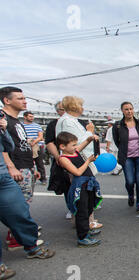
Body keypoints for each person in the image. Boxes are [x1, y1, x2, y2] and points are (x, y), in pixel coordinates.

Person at [0, 104, 55, 280]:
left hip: (3, 177)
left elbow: (8, 147)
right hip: (8, 172)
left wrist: (2, 130)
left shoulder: (8, 123)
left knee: (19, 211)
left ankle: (32, 247)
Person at [0, 86, 44, 251]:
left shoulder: (16, 120)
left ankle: (20, 234)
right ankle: (16, 238)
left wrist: (33, 167)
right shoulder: (3, 118)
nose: (24, 101)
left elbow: (21, 145)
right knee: (18, 205)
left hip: (25, 165)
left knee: (24, 202)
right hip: (15, 168)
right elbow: (2, 147)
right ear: (7, 100)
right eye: (20, 98)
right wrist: (10, 167)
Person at [55, 96, 102, 229]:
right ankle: (87, 222)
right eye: (81, 105)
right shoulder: (68, 121)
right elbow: (74, 144)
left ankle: (84, 220)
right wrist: (89, 132)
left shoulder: (67, 120)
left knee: (83, 192)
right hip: (77, 161)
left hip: (77, 159)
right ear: (74, 106)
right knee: (84, 192)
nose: (83, 108)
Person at [57, 132, 103, 247]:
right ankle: (82, 237)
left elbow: (85, 142)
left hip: (89, 184)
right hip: (79, 186)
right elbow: (77, 172)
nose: (75, 147)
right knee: (81, 211)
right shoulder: (63, 158)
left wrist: (91, 138)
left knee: (89, 208)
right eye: (73, 145)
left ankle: (87, 230)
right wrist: (88, 161)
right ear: (62, 146)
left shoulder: (74, 151)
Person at [112, 102, 139, 213]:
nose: (129, 111)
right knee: (130, 181)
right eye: (126, 109)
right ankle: (131, 194)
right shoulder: (118, 125)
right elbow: (117, 141)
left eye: (131, 109)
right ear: (122, 111)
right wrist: (125, 150)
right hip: (127, 157)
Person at [46, 101, 73, 220]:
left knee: (84, 185)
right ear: (58, 111)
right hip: (64, 160)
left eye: (67, 109)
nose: (66, 112)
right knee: (68, 185)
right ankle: (71, 208)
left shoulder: (78, 122)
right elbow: (49, 142)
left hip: (80, 159)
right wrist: (58, 157)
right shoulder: (53, 124)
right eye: (62, 109)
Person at [22, 111, 46, 185]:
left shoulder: (37, 126)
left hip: (38, 146)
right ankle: (31, 178)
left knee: (40, 163)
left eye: (32, 116)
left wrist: (34, 142)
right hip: (26, 146)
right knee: (28, 163)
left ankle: (43, 179)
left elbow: (40, 136)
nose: (32, 118)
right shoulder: (21, 125)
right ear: (25, 117)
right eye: (30, 116)